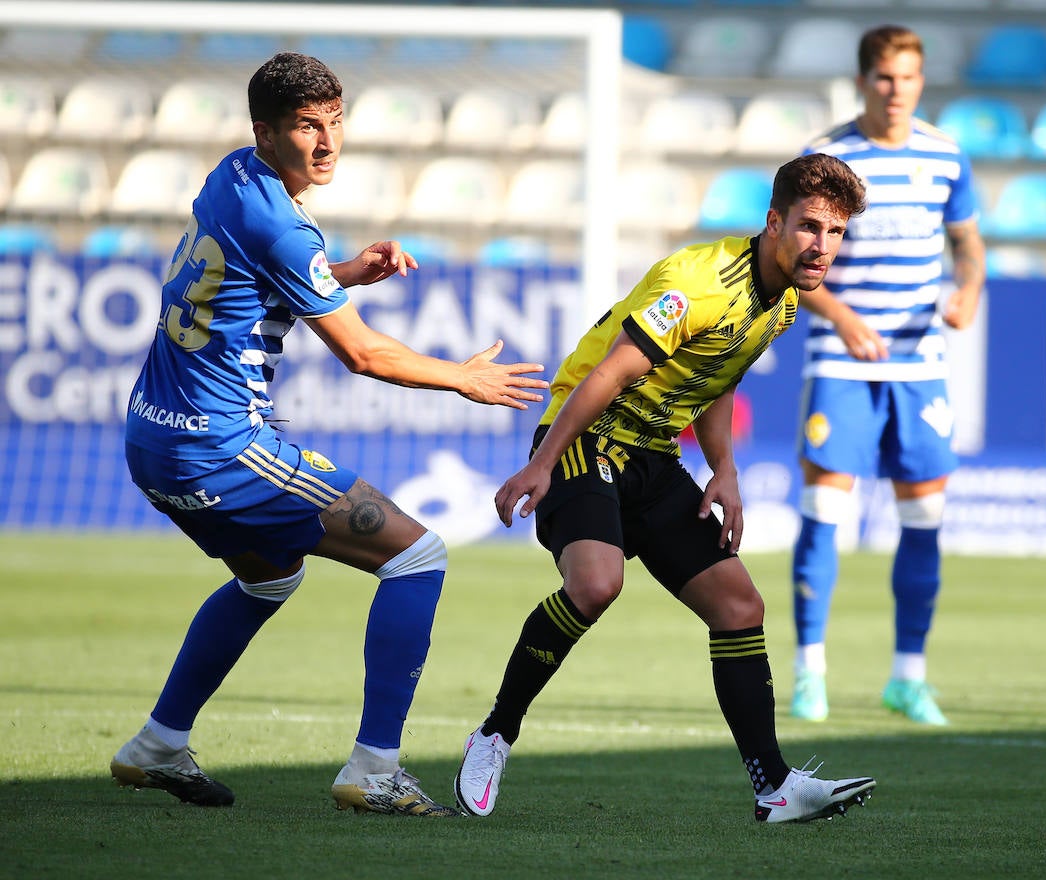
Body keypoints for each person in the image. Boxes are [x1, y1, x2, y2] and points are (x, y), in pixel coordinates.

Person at [110, 52, 548, 816]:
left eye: (335, 122)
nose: (326, 142)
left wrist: (340, 272)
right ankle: (374, 767)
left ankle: (157, 743)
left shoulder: (231, 177)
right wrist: (465, 378)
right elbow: (363, 355)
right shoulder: (282, 223)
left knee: (269, 577)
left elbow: (250, 276)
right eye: (307, 126)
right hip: (221, 446)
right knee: (417, 555)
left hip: (151, 437)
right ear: (266, 131)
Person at [455, 153, 875, 824]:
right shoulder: (700, 283)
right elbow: (608, 377)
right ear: (775, 222)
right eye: (809, 226)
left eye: (835, 232)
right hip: (584, 438)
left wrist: (726, 473)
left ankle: (773, 785)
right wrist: (543, 462)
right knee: (596, 585)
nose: (821, 245)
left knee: (739, 607)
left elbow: (716, 376)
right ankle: (496, 733)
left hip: (651, 457)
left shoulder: (785, 305)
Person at [788, 25, 987, 726]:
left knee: (924, 520)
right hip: (842, 363)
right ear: (863, 80)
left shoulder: (944, 155)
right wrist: (841, 317)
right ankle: (809, 672)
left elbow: (969, 246)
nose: (895, 90)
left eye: (907, 77)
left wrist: (968, 290)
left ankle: (909, 676)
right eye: (883, 77)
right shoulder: (829, 158)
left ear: (921, 81)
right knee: (824, 517)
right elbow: (789, 264)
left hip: (920, 366)